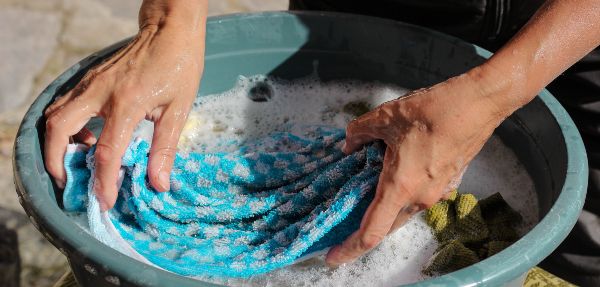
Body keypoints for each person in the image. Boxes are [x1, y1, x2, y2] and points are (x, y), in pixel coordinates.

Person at [42, 0, 600, 285]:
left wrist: (493, 93)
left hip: (575, 42)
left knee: (579, 248)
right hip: (371, 10)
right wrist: (171, 18)